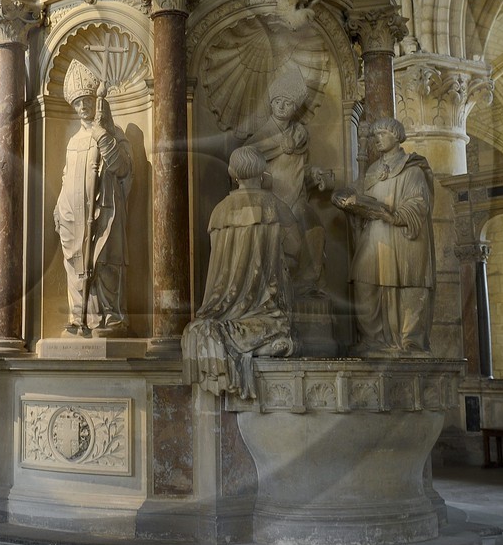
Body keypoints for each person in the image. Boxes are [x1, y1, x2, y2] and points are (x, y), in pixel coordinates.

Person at [183, 145, 300, 399]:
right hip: (268, 308)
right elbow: (296, 250)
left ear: (232, 172)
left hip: (224, 308)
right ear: (263, 171)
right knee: (276, 330)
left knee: (199, 330)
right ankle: (266, 342)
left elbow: (218, 265)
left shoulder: (219, 211)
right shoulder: (276, 206)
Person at [332, 117, 434, 353]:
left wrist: (394, 216)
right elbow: (359, 191)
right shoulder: (373, 170)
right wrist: (344, 197)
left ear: (397, 136)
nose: (377, 139)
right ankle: (373, 339)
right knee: (363, 283)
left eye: (383, 134)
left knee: (407, 287)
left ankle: (408, 342)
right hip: (375, 236)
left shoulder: (413, 169)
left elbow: (419, 204)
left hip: (403, 237)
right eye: (375, 135)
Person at [236, 67, 333, 294]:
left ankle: (307, 283)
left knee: (315, 228)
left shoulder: (299, 135)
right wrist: (279, 144)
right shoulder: (260, 137)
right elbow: (245, 162)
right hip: (271, 199)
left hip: (297, 198)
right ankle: (281, 288)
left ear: (295, 108)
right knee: (293, 244)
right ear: (271, 102)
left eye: (287, 103)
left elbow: (296, 170)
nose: (281, 106)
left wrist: (313, 174)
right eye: (278, 101)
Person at [53, 62, 131, 336]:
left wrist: (101, 134)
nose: (82, 108)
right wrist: (59, 208)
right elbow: (66, 177)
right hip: (73, 214)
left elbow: (122, 167)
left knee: (106, 262)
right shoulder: (74, 140)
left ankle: (111, 318)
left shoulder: (114, 135)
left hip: (105, 209)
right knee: (76, 263)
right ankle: (79, 317)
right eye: (77, 104)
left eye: (86, 101)